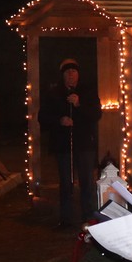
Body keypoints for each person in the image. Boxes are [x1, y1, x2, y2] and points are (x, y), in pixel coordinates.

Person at [39, 59, 102, 227]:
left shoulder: (88, 91)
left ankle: (88, 216)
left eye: (73, 72)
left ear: (78, 74)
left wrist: (79, 104)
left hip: (84, 144)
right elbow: (42, 117)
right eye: (67, 73)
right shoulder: (53, 93)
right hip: (63, 145)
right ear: (63, 76)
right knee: (66, 182)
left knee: (87, 181)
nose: (71, 75)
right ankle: (66, 218)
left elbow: (96, 114)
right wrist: (59, 120)